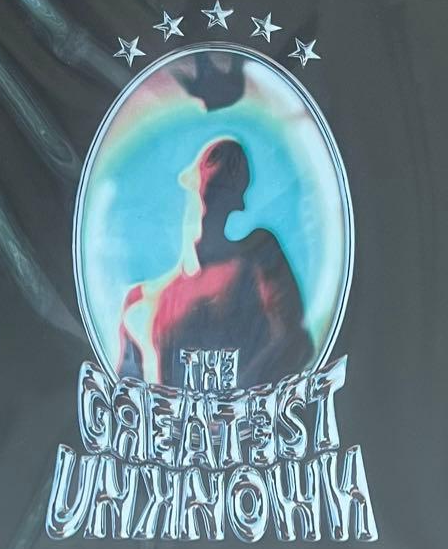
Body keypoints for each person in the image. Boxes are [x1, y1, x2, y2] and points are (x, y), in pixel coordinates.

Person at [117, 138, 312, 386]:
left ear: (238, 199)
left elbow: (296, 342)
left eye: (229, 183)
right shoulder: (141, 301)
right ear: (189, 180)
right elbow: (124, 394)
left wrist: (237, 394)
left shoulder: (258, 257)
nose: (224, 168)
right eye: (215, 161)